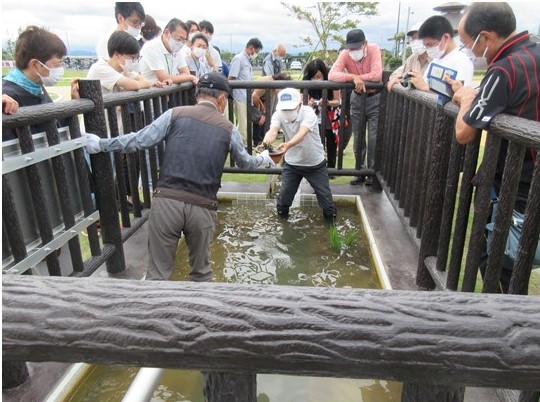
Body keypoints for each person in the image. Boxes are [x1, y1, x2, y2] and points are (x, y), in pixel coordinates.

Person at [83, 73, 275, 282]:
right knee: (202, 273)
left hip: (167, 201)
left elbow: (139, 140)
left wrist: (100, 144)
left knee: (157, 274)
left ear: (197, 94)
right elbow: (245, 162)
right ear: (221, 99)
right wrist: (264, 158)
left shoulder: (174, 114)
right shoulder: (228, 128)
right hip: (203, 206)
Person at [450, 2, 539, 293]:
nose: (468, 50)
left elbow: (464, 133)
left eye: (467, 43)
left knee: (496, 261)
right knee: (516, 260)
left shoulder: (504, 68)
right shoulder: (534, 52)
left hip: (514, 185)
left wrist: (465, 98)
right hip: (530, 178)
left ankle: (505, 326)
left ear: (485, 37)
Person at [262, 88, 337, 224]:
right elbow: (273, 131)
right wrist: (266, 141)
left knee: (327, 202)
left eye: (290, 109)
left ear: (300, 105)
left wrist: (288, 145)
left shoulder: (308, 113)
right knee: (283, 201)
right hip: (292, 164)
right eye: (284, 109)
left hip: (315, 164)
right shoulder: (278, 114)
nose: (287, 112)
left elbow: (302, 134)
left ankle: (330, 228)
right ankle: (282, 227)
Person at [2, 26, 78, 141]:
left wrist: (75, 102)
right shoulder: (7, 97)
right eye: (57, 64)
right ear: (35, 65)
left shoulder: (37, 87)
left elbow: (55, 125)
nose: (60, 69)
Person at [329, 28, 383, 186]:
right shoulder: (345, 54)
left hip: (374, 98)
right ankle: (359, 172)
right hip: (357, 99)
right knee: (358, 138)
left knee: (373, 138)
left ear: (365, 44)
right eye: (350, 48)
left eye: (356, 48)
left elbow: (376, 75)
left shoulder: (374, 50)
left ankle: (372, 173)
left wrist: (359, 78)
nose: (353, 51)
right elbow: (332, 74)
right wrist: (352, 77)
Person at [408, 15, 474, 93]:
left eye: (430, 45)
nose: (428, 49)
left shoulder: (461, 62)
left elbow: (460, 98)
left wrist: (426, 88)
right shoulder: (435, 60)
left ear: (445, 38)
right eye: (425, 46)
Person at [303, 58, 343, 178]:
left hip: (330, 115)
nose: (316, 79)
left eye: (319, 76)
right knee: (316, 141)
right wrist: (308, 103)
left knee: (331, 141)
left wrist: (327, 102)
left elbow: (337, 101)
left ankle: (331, 170)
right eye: (314, 76)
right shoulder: (305, 81)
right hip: (314, 116)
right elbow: (302, 100)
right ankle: (316, 167)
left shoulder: (332, 80)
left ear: (323, 74)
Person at [139, 18, 198, 86]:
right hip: (151, 93)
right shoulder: (151, 47)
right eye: (179, 39)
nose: (180, 43)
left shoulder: (176, 49)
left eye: (183, 41)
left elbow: (185, 73)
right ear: (167, 33)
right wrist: (190, 77)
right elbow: (164, 78)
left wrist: (182, 77)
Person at [228, 37, 264, 145]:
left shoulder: (246, 60)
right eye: (256, 52)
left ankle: (244, 153)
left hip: (246, 98)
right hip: (240, 98)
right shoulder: (239, 58)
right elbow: (231, 78)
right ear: (251, 48)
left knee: (246, 128)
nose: (255, 54)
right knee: (243, 130)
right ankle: (240, 155)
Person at [387, 21, 431, 91]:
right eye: (413, 38)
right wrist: (396, 79)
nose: (415, 41)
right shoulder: (412, 59)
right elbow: (396, 74)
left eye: (419, 37)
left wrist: (425, 87)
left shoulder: (436, 60)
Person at [251, 71, 291, 146]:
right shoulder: (267, 82)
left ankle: (263, 142)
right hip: (250, 100)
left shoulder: (273, 87)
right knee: (259, 120)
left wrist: (264, 113)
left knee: (264, 120)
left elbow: (266, 100)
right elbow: (254, 96)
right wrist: (260, 110)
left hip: (259, 101)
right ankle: (258, 144)